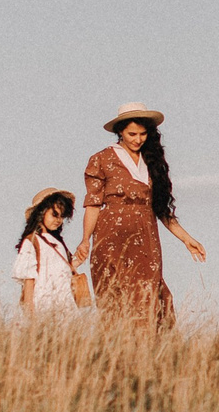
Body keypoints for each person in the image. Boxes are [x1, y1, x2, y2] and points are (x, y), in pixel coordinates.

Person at [75, 103, 205, 327]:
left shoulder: (152, 162)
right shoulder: (102, 159)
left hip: (146, 238)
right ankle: (119, 354)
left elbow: (162, 210)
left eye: (143, 134)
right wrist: (86, 239)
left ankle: (152, 353)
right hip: (111, 238)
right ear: (120, 133)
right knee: (115, 295)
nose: (137, 139)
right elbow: (93, 204)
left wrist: (186, 239)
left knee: (150, 294)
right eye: (131, 134)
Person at [12, 187, 85, 318]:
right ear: (41, 212)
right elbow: (29, 281)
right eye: (54, 214)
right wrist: (30, 315)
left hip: (65, 306)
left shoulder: (59, 243)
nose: (58, 220)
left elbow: (60, 272)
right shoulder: (32, 241)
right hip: (43, 305)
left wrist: (75, 263)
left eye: (62, 216)